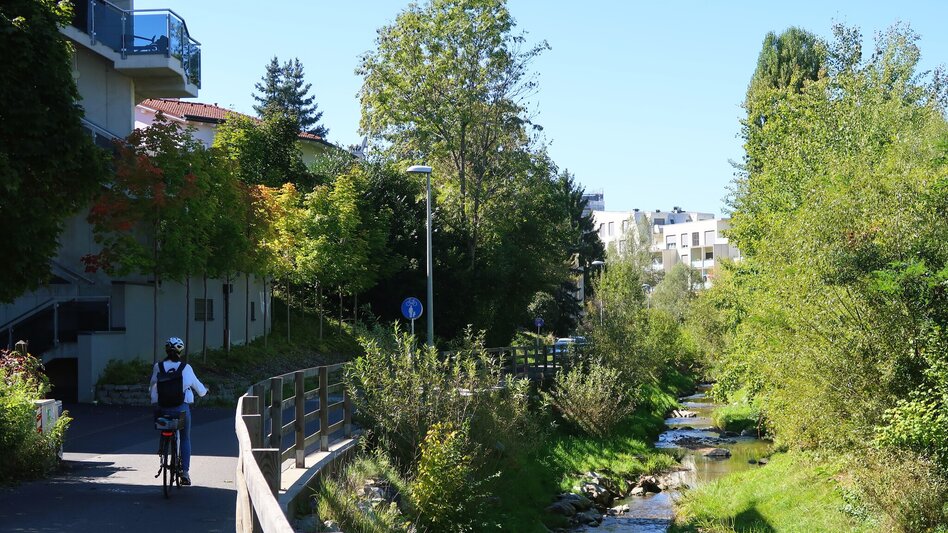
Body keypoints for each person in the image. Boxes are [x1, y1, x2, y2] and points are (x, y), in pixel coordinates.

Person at [150, 337, 207, 485]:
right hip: (181, 409)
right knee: (185, 437)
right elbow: (200, 391)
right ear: (181, 351)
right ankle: (185, 473)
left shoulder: (158, 367)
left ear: (166, 351)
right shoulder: (186, 368)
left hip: (163, 408)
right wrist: (205, 390)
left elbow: (152, 387)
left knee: (164, 424)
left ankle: (163, 449)